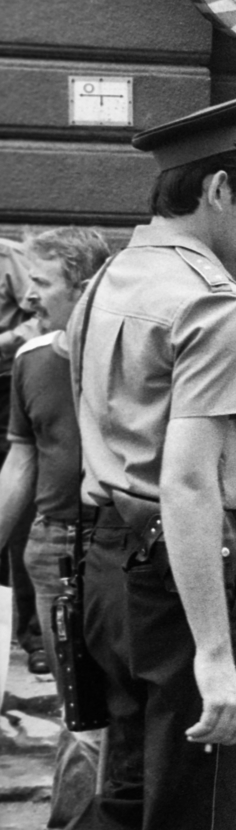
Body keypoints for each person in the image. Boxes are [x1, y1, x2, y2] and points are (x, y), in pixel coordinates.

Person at [52, 85, 236, 830]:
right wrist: (215, 659)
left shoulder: (105, 283)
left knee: (125, 806)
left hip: (105, 567)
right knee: (197, 828)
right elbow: (189, 483)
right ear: (218, 190)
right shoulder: (218, 304)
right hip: (182, 574)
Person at [0, 227, 110, 826]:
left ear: (84, 285)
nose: (31, 295)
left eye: (42, 282)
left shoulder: (131, 360)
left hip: (120, 546)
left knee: (121, 695)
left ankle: (112, 819)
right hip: (50, 546)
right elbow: (23, 459)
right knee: (75, 700)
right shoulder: (31, 360)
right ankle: (76, 828)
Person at [1, 234, 45, 675]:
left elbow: (38, 317)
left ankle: (33, 634)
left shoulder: (9, 255)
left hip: (6, 387)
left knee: (22, 516)